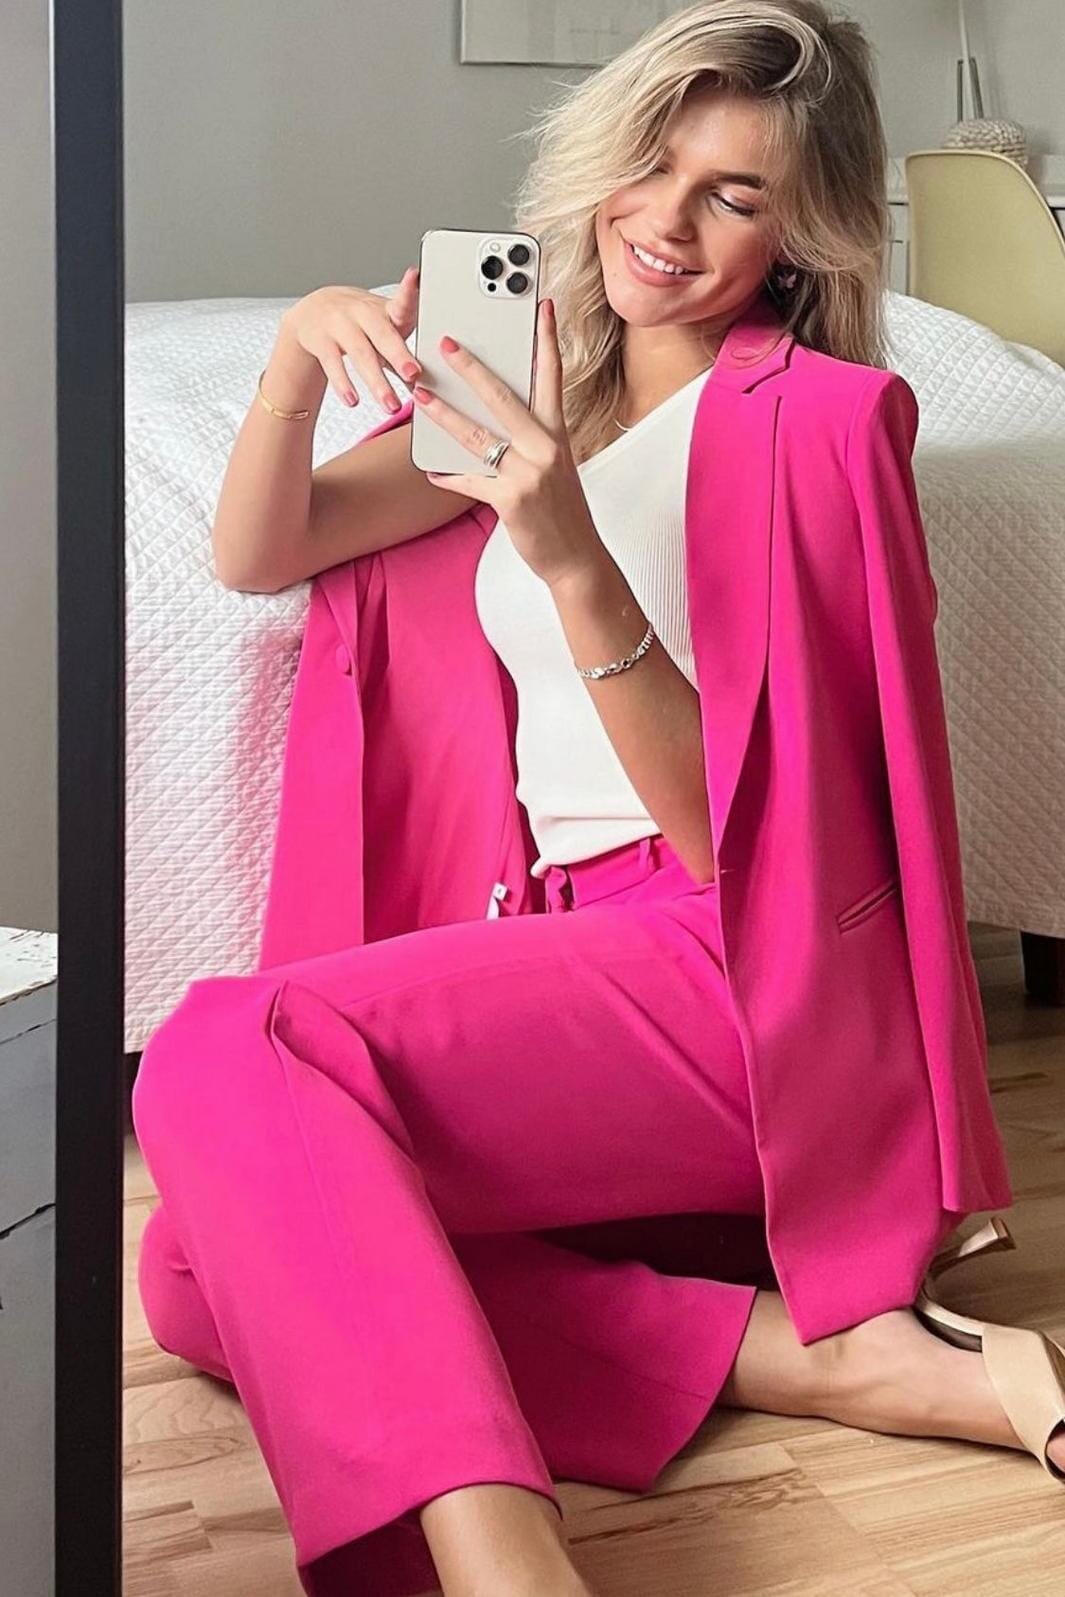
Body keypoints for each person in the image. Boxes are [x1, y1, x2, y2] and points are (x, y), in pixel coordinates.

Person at [131, 4, 1064, 1595]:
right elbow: (262, 550)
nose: (667, 222)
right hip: (562, 952)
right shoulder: (526, 389)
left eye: (734, 196)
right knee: (192, 1262)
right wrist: (295, 360)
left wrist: (568, 558)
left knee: (237, 1041)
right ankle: (828, 1361)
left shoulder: (818, 427)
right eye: (653, 163)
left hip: (735, 974)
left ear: (801, 235)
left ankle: (506, 1562)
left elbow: (746, 846)